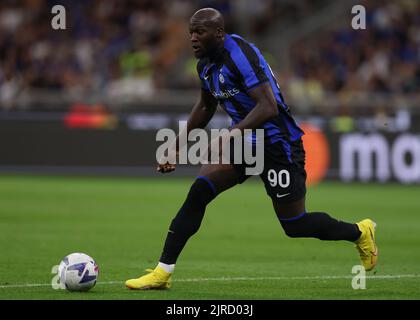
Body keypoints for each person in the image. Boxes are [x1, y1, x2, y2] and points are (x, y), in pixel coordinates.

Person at [125, 8, 378, 290]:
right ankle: (162, 272)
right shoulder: (205, 64)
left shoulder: (240, 56)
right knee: (199, 192)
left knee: (294, 224)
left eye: (200, 32)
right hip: (247, 144)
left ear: (219, 33)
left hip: (279, 144)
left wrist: (228, 135)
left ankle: (359, 231)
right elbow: (206, 105)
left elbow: (268, 106)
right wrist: (176, 145)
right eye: (191, 33)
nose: (193, 38)